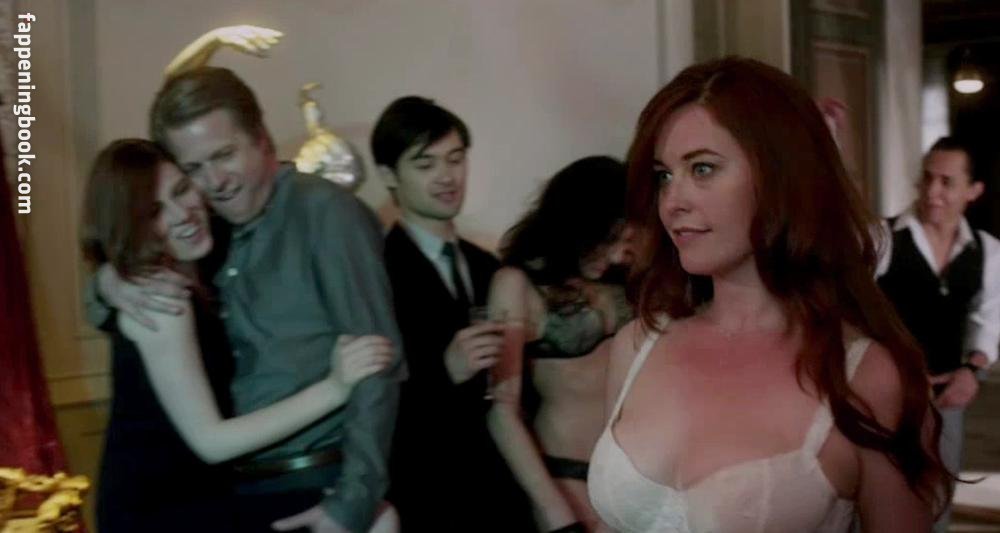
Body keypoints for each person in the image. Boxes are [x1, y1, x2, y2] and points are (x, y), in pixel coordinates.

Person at [587, 57, 951, 532]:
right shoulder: (637, 345)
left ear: (781, 176)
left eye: (702, 168)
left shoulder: (866, 377)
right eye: (664, 176)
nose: (673, 201)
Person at [88, 67, 405, 533]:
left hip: (313, 473)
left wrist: (352, 504)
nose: (214, 181)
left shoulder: (325, 212)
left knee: (382, 521)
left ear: (261, 138)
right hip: (224, 489)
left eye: (224, 155)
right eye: (193, 169)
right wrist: (108, 283)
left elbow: (378, 365)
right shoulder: (203, 231)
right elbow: (123, 298)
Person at [370, 96, 533, 531]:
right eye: (425, 164)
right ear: (388, 175)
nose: (447, 176)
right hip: (428, 499)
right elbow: (371, 406)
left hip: (500, 494)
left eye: (456, 159)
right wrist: (443, 371)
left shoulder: (487, 266)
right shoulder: (375, 272)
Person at [487, 156, 634, 532]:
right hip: (566, 476)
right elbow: (502, 411)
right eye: (606, 240)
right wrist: (553, 508)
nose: (616, 254)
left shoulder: (626, 279)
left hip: (628, 476)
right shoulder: (517, 284)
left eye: (623, 241)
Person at [876, 136, 999, 533]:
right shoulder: (881, 238)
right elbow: (848, 315)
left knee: (937, 504)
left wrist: (971, 371)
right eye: (927, 178)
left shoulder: (988, 251)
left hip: (947, 400)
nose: (932, 192)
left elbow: (988, 322)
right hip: (884, 397)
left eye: (947, 182)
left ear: (973, 190)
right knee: (879, 504)